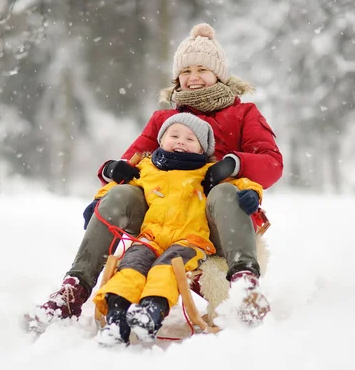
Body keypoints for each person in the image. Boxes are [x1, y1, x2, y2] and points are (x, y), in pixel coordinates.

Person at [24, 23, 283, 334]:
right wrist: (112, 173)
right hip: (160, 221)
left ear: (219, 73)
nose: (194, 77)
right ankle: (73, 290)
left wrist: (233, 164)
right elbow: (130, 163)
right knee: (121, 195)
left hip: (213, 225)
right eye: (186, 71)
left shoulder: (244, 115)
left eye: (202, 69)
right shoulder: (164, 120)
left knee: (223, 194)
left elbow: (272, 165)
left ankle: (244, 286)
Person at [92, 112, 264, 346]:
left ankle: (151, 311)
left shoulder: (207, 172)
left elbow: (243, 183)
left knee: (167, 269)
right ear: (161, 141)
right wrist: (99, 198)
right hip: (150, 238)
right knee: (130, 268)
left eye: (190, 139)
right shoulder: (147, 169)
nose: (181, 141)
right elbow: (118, 185)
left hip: (189, 241)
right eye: (174, 135)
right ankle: (117, 317)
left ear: (202, 150)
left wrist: (252, 193)